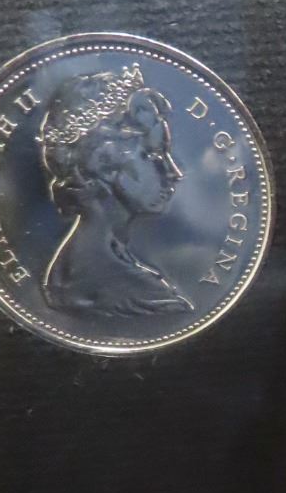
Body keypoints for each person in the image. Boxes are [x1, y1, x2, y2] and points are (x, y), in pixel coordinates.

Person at [38, 64, 192, 318]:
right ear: (105, 165)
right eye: (152, 155)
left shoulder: (72, 266)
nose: (174, 172)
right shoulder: (142, 293)